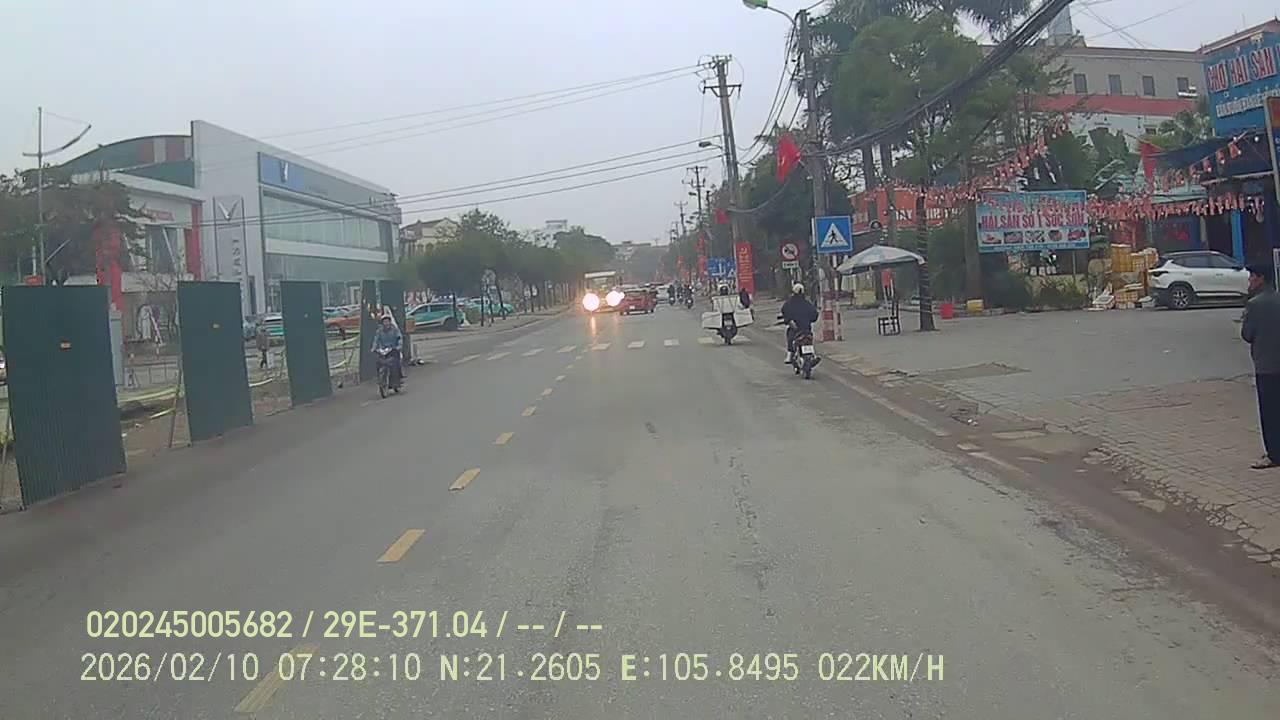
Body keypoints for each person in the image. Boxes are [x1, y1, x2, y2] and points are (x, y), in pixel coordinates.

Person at [1242, 264, 1280, 469]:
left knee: (1269, 412)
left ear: (1261, 278)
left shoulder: (1254, 305)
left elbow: (1247, 335)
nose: (1249, 281)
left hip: (1266, 366)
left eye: (1252, 277)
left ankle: (1274, 454)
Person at [780, 282, 819, 364]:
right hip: (806, 328)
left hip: (796, 329)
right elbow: (814, 314)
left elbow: (784, 312)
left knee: (790, 336)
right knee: (808, 338)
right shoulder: (807, 303)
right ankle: (813, 355)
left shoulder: (789, 303)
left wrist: (787, 320)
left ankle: (790, 354)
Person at [371, 314, 404, 386]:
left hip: (393, 349)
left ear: (390, 322)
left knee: (396, 363)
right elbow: (376, 340)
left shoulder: (395, 330)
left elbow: (399, 338)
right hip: (383, 350)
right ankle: (380, 378)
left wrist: (399, 346)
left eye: (387, 321)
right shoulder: (379, 331)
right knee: (378, 362)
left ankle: (398, 378)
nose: (386, 323)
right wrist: (374, 348)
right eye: (384, 321)